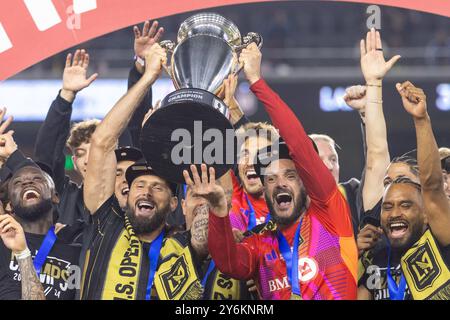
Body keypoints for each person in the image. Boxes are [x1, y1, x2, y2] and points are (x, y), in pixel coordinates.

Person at [208, 43, 357, 300]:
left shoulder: (329, 213)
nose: (280, 184)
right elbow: (229, 263)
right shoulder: (259, 242)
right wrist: (219, 212)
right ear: (264, 190)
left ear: (305, 182)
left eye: (290, 176)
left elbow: (298, 143)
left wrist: (256, 80)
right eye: (271, 178)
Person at [33, 21, 163, 225]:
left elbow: (136, 126)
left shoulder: (132, 199)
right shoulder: (65, 197)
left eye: (94, 150)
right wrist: (65, 96)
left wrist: (141, 66)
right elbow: (47, 157)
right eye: (81, 154)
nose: (88, 160)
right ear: (74, 162)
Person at [79, 44, 181, 300]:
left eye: (157, 187)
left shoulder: (182, 244)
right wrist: (147, 79)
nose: (146, 191)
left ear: (174, 203)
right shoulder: (106, 222)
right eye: (138, 185)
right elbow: (102, 141)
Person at [358, 81, 450, 300]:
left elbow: (432, 184)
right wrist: (352, 254)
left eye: (406, 205)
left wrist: (420, 119)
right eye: (387, 207)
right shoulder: (375, 262)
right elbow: (375, 159)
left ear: (426, 213)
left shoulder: (442, 243)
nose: (395, 212)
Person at [0, 119, 81, 300]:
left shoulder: (78, 249)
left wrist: (14, 155)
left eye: (37, 180)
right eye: (18, 183)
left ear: (55, 196)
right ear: (9, 205)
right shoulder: (3, 243)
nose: (27, 181)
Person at [153, 166, 249, 300]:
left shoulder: (247, 252)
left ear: (227, 208)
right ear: (184, 206)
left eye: (213, 196)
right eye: (197, 196)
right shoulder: (158, 251)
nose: (204, 203)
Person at [309, 133, 362, 236]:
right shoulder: (291, 207)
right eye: (319, 160)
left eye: (333, 159)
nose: (329, 166)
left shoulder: (354, 193)